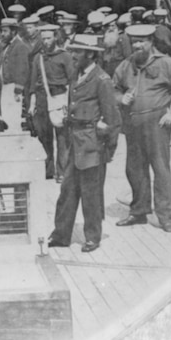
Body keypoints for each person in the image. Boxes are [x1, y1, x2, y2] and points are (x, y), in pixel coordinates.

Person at [113, 25, 171, 233]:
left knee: (161, 170)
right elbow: (112, 89)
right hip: (132, 125)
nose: (137, 46)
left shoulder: (166, 63)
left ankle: (166, 217)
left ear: (151, 41)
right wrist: (121, 98)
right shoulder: (125, 65)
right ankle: (139, 211)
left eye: (142, 41)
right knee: (134, 169)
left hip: (157, 125)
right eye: (134, 42)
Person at [48, 34, 121, 252]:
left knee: (91, 193)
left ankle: (92, 237)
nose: (73, 55)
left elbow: (112, 119)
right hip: (75, 141)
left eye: (78, 52)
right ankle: (61, 235)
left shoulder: (102, 80)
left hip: (92, 144)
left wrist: (109, 148)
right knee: (67, 191)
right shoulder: (76, 76)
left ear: (90, 54)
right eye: (72, 51)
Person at [26, 24, 75, 181]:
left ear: (56, 37)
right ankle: (48, 170)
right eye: (43, 38)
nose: (46, 41)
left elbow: (72, 80)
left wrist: (71, 102)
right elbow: (33, 83)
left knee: (62, 136)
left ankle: (63, 172)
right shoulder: (38, 58)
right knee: (44, 136)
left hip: (60, 97)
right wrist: (32, 104)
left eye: (49, 38)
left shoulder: (65, 56)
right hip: (42, 98)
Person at [0, 18, 30, 131]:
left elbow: (22, 69)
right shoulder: (6, 46)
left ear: (14, 32)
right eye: (2, 31)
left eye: (5, 31)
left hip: (12, 87)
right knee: (5, 115)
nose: (2, 34)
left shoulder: (20, 46)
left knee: (12, 117)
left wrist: (18, 90)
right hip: (5, 86)